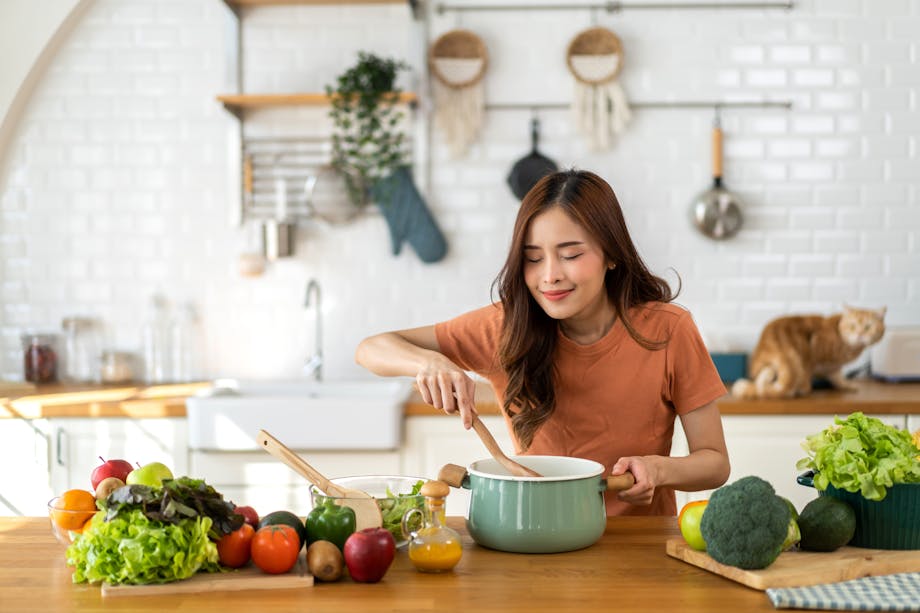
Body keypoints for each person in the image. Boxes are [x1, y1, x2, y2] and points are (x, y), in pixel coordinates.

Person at [355, 169, 731, 516]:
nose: (549, 276)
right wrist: (428, 363)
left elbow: (715, 463)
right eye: (533, 259)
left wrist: (658, 469)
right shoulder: (506, 326)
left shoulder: (668, 330)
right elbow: (371, 349)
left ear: (612, 253)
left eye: (570, 255)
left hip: (639, 545)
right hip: (533, 534)